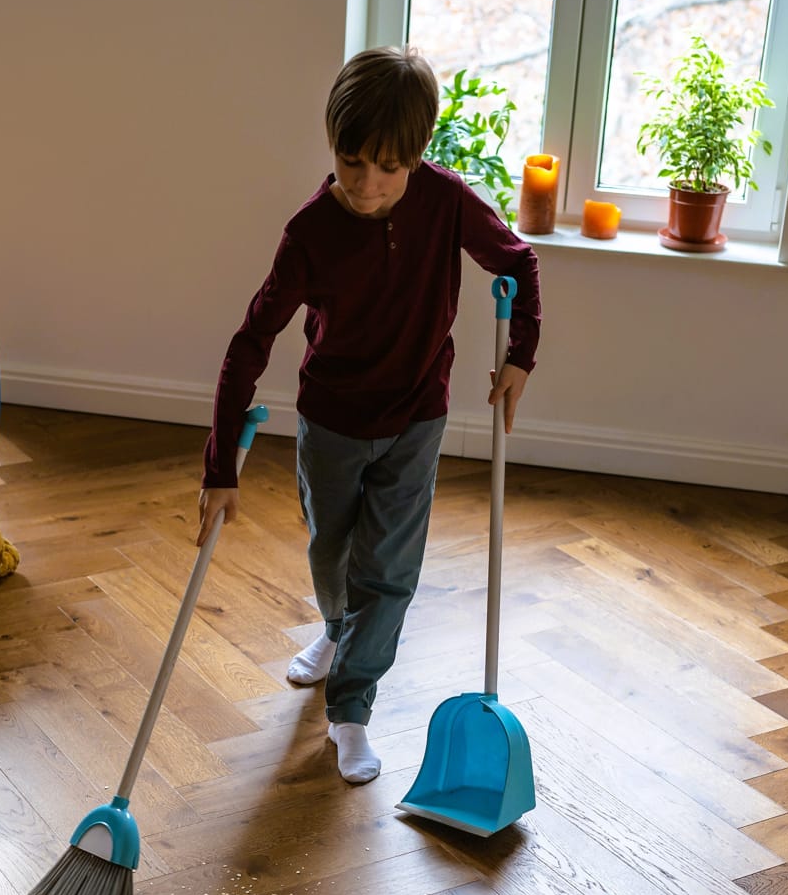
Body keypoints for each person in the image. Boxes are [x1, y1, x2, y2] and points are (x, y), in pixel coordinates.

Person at [197, 45, 541, 785]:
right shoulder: (311, 233)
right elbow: (248, 343)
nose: (367, 184)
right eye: (353, 162)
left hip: (418, 413)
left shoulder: (446, 200)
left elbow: (519, 262)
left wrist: (522, 353)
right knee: (332, 550)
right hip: (332, 420)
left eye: (388, 167)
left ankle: (351, 708)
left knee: (386, 570)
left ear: (416, 156)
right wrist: (220, 468)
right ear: (335, 147)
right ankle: (333, 631)